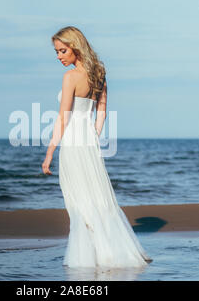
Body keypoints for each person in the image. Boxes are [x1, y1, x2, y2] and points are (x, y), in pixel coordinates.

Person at [41, 26, 152, 268]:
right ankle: (108, 253)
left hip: (72, 141)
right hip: (89, 141)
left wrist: (49, 152)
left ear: (75, 47)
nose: (59, 56)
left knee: (78, 201)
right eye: (57, 52)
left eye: (62, 50)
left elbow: (62, 118)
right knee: (97, 197)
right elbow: (101, 113)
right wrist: (93, 135)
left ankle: (91, 258)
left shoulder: (70, 78)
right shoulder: (99, 75)